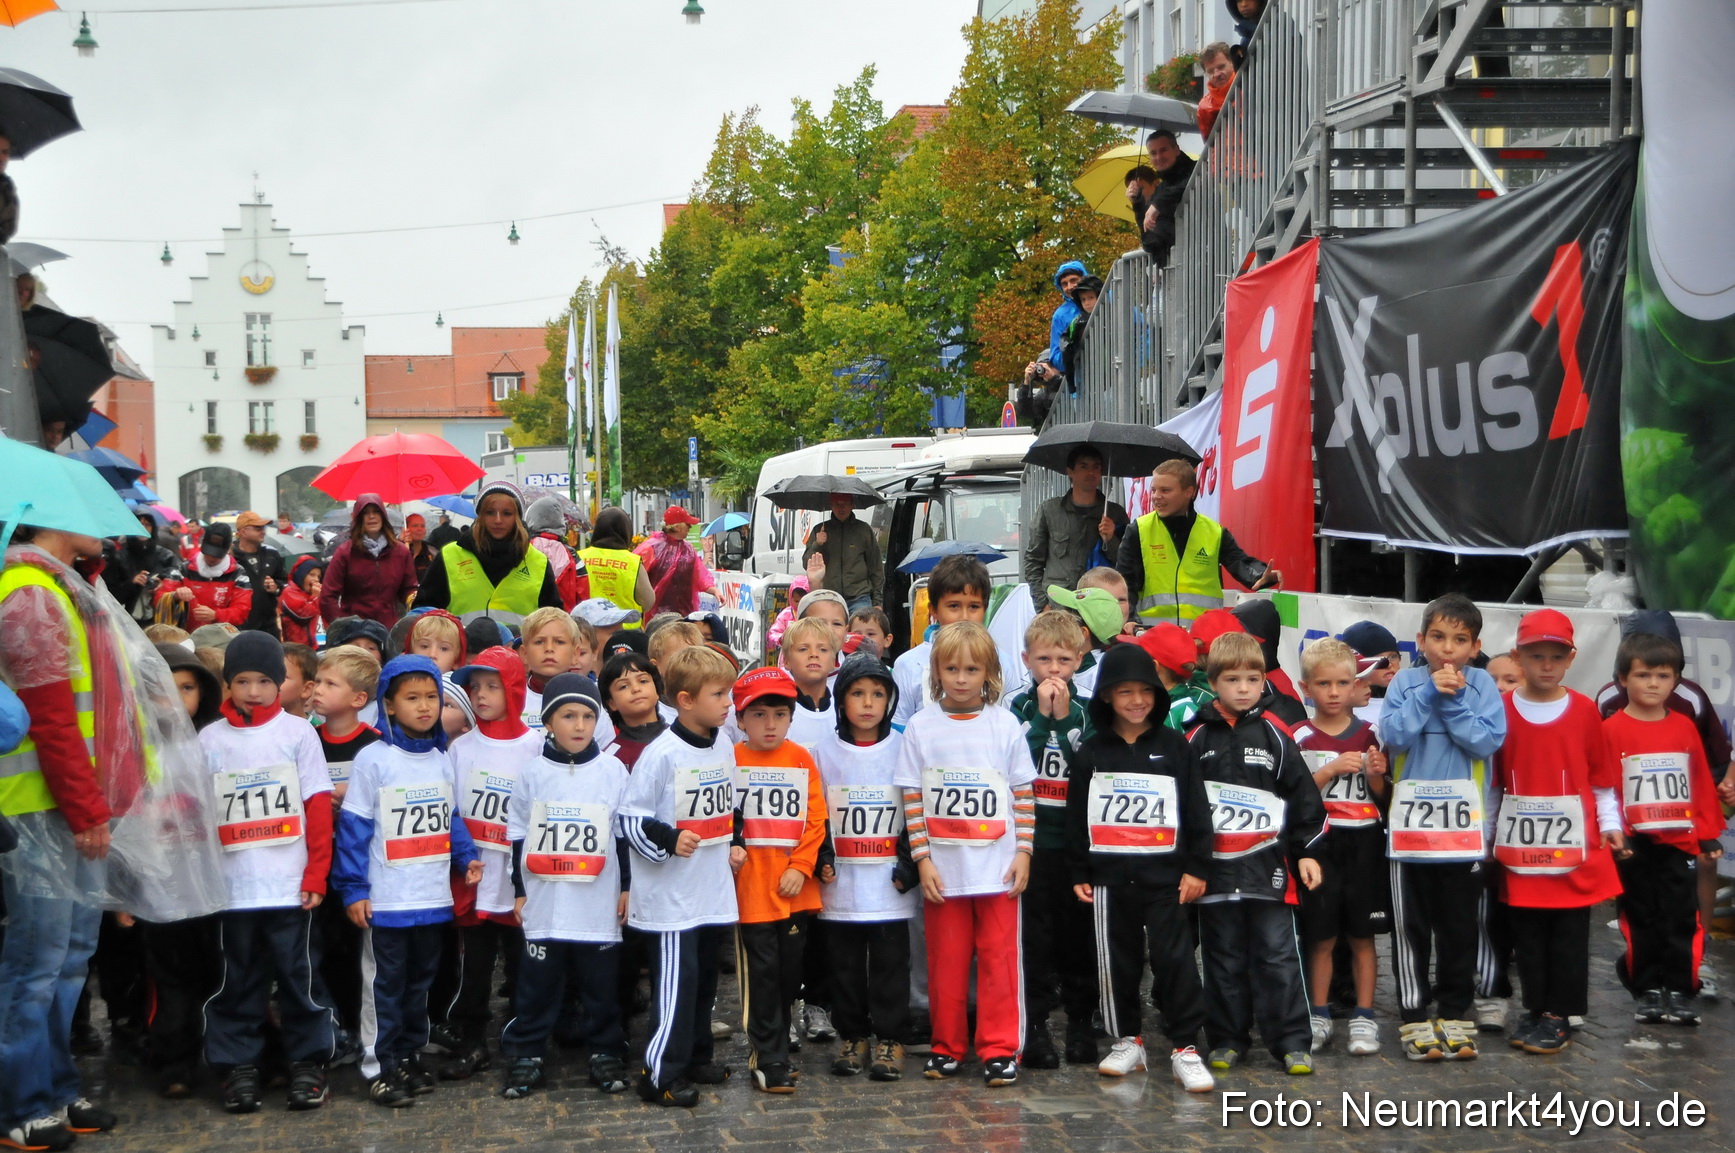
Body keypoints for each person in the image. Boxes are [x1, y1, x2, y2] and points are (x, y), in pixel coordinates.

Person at [332, 655, 484, 1107]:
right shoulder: (373, 760)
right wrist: (354, 889)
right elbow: (355, 829)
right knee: (384, 986)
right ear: (389, 704)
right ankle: (379, 1064)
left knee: (420, 982)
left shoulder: (440, 758)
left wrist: (466, 855)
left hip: (432, 896)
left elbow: (450, 815)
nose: (424, 706)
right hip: (387, 901)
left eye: (432, 697)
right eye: (412, 698)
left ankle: (409, 1053)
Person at [198, 632, 337, 1114]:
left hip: (288, 888)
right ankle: (238, 1066)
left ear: (282, 684)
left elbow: (318, 806)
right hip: (234, 891)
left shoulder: (298, 735)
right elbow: (202, 816)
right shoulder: (211, 739)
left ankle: (308, 1062)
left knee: (300, 979)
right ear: (228, 685)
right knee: (236, 982)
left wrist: (317, 874)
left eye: (264, 681)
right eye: (242, 681)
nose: (253, 691)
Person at [1065, 644, 1215, 1090]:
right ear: (1107, 697)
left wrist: (1197, 867)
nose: (1136, 701)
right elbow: (1077, 817)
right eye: (1124, 691)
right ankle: (1127, 1038)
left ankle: (1185, 1045)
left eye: (1144, 691)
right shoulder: (1091, 753)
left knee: (1176, 961)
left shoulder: (1174, 747)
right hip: (1110, 880)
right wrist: (1078, 872)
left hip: (1167, 878)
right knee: (1117, 962)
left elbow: (1196, 810)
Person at [895, 622, 1033, 1087]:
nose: (960, 678)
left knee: (999, 960)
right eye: (951, 668)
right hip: (945, 871)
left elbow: (1022, 795)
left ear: (989, 672)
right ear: (935, 672)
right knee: (945, 961)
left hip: (997, 869)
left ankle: (999, 1048)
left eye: (971, 669)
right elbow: (912, 797)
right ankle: (946, 1045)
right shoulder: (921, 726)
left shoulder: (1005, 724)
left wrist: (1024, 853)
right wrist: (923, 859)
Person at [1185, 632, 1325, 1076]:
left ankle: (1291, 1041)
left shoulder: (1276, 734)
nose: (1244, 688)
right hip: (1215, 874)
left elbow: (1303, 796)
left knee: (1278, 955)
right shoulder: (1193, 735)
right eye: (1232, 679)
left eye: (1253, 678)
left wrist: (1305, 851)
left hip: (1269, 869)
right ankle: (1227, 1038)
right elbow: (1182, 806)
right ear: (1213, 682)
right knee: (1221, 956)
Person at [1378, 593, 1505, 1062]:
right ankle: (1413, 1015)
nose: (1448, 649)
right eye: (1438, 637)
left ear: (1475, 647)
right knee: (1411, 926)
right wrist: (1431, 691)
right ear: (1421, 640)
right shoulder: (1406, 683)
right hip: (1409, 833)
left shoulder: (1483, 687)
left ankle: (1455, 1010)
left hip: (1461, 833)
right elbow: (1392, 735)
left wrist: (1451, 702)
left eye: (1459, 640)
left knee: (1459, 926)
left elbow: (1486, 741)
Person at [1491, 611, 1623, 1056]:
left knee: (1568, 933)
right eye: (1536, 656)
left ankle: (1559, 1012)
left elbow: (1601, 776)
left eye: (1555, 656)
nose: (1546, 665)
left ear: (1571, 659)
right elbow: (1494, 780)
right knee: (1526, 933)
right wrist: (1487, 835)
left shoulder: (1585, 711)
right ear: (1518, 657)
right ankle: (1535, 1006)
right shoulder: (1502, 709)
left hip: (1573, 847)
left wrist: (1611, 825)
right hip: (1520, 847)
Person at [497, 672, 633, 1099]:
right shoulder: (533, 774)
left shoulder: (613, 771)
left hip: (598, 903)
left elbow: (624, 834)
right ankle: (527, 1052)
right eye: (568, 715)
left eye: (587, 716)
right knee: (537, 984)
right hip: (546, 902)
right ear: (548, 722)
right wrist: (520, 890)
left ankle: (606, 1050)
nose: (578, 726)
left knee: (601, 987)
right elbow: (517, 835)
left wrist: (627, 888)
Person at [619, 645, 742, 1108]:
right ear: (686, 700)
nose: (728, 703)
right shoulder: (660, 755)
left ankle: (695, 1056)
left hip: (710, 890)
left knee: (704, 980)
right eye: (719, 694)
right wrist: (669, 840)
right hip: (672, 899)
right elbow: (629, 819)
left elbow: (730, 805)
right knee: (675, 984)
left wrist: (735, 843)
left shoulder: (724, 743)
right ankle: (660, 1073)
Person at [1595, 609, 1733, 1000]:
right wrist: (1611, 831)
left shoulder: (1685, 724)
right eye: (1643, 675)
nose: (1653, 684)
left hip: (1679, 839)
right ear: (1623, 678)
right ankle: (1647, 987)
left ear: (1676, 678)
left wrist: (1707, 834)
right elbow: (1603, 784)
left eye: (1662, 676)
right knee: (1640, 915)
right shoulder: (1609, 726)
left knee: (1680, 916)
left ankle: (1682, 986)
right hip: (1636, 840)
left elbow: (1700, 782)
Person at [813, 652, 916, 1081]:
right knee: (846, 965)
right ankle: (852, 1033)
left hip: (889, 883)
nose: (869, 703)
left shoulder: (903, 747)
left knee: (892, 964)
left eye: (878, 694)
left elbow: (915, 807)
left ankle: (891, 1037)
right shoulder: (824, 752)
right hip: (843, 885)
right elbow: (815, 814)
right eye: (858, 693)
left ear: (891, 701)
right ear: (842, 701)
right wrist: (822, 858)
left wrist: (909, 863)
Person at [727, 668, 829, 1095]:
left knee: (789, 975)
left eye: (780, 715)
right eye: (760, 714)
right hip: (750, 891)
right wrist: (730, 845)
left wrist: (800, 867)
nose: (770, 724)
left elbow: (816, 817)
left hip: (793, 891)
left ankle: (778, 1048)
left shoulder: (801, 759)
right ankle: (767, 1057)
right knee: (761, 977)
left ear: (791, 718)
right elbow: (722, 815)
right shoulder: (730, 758)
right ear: (741, 718)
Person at [443, 647, 541, 1079]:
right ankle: (471, 1039)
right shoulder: (460, 748)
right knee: (475, 966)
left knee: (522, 963)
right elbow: (449, 808)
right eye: (474, 687)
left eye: (492, 686)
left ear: (515, 688)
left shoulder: (536, 745)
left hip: (520, 878)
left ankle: (524, 1039)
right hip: (474, 876)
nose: (480, 695)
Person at [1008, 612, 1099, 1068]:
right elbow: (1016, 761)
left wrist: (1064, 722)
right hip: (1031, 842)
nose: (1054, 670)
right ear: (1027, 660)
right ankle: (1036, 1024)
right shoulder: (1014, 709)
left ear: (1079, 661)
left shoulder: (1089, 711)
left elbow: (1089, 768)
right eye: (1044, 659)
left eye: (1064, 660)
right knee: (1035, 937)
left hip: (1075, 842)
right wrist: (1043, 719)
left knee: (1077, 937)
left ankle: (1082, 1021)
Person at [1292, 638, 1389, 1056]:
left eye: (1342, 683)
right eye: (1324, 684)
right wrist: (1330, 769)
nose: (1333, 692)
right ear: (1306, 687)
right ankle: (1318, 1012)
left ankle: (1365, 1017)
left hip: (1365, 841)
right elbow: (1294, 796)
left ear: (1355, 687)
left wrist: (1377, 777)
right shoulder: (1299, 736)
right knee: (1321, 936)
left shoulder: (1372, 733)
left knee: (1363, 933)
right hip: (1321, 844)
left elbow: (1384, 798)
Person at [141, 644, 223, 1099]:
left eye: (186, 688)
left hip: (212, 883)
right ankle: (174, 1059)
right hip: (161, 884)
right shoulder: (137, 749)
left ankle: (226, 1051)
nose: (174, 699)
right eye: (162, 690)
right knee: (170, 979)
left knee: (216, 967)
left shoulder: (212, 742)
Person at [310, 644, 380, 1052]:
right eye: (317, 681)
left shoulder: (373, 744)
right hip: (320, 860)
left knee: (358, 947)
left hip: (360, 863)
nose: (318, 690)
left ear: (358, 699)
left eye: (329, 683)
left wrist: (352, 794)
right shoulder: (307, 739)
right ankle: (333, 1023)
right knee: (326, 946)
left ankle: (359, 1024)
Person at [1115, 459, 1277, 627]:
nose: (1156, 496)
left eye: (1165, 490)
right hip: (1153, 636)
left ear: (1189, 492)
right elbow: (1124, 584)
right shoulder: (1138, 530)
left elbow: (1239, 563)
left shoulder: (1215, 532)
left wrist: (1260, 575)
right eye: (1154, 490)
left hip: (1203, 639)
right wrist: (1131, 621)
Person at [414, 482, 561, 617]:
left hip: (519, 647)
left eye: (507, 513)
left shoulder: (538, 563)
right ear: (480, 516)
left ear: (517, 518)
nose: (498, 520)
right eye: (490, 512)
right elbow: (424, 612)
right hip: (463, 646)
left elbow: (553, 619)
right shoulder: (449, 556)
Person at [891, 556, 992, 731]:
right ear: (934, 610)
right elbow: (900, 730)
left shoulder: (1001, 661)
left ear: (985, 609)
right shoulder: (908, 665)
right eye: (954, 606)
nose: (964, 617)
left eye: (974, 607)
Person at [1025, 449, 1128, 611]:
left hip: (1099, 605)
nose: (1091, 472)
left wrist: (1110, 539)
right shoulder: (1049, 510)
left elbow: (1125, 564)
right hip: (1059, 605)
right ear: (1070, 472)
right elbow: (1033, 561)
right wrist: (1042, 604)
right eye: (1083, 466)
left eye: (1096, 467)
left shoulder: (1114, 513)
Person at [318, 496, 417, 629]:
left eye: (376, 511)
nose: (371, 516)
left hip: (388, 631)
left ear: (383, 515)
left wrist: (413, 599)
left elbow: (409, 588)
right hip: (354, 634)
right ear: (358, 518)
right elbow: (327, 597)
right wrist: (341, 627)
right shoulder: (345, 552)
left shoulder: (401, 552)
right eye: (365, 512)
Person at [155, 521, 254, 630]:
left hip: (222, 637)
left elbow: (242, 611)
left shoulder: (238, 574)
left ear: (228, 549)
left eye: (217, 555)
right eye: (208, 553)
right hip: (186, 636)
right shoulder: (183, 569)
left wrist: (216, 615)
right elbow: (158, 599)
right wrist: (175, 596)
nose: (211, 558)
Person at [802, 497, 883, 617]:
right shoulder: (819, 530)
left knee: (859, 634)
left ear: (852, 505)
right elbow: (806, 564)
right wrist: (817, 544)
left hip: (859, 597)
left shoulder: (864, 530)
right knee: (832, 635)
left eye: (845, 503)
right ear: (831, 505)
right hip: (830, 598)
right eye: (837, 504)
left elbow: (876, 567)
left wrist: (877, 601)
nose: (841, 508)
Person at [636, 506, 717, 620]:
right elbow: (634, 575)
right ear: (678, 527)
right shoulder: (651, 548)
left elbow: (699, 576)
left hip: (684, 615)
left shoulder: (688, 549)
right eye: (687, 524)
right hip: (656, 618)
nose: (690, 527)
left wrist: (715, 591)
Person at [579, 508, 655, 630]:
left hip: (587, 631)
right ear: (626, 532)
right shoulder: (633, 562)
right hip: (626, 634)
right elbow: (648, 602)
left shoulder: (580, 557)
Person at [101, 508, 180, 624]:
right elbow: (110, 592)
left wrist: (163, 582)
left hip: (160, 618)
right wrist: (132, 582)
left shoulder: (166, 556)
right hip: (128, 620)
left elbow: (178, 577)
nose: (143, 528)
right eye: (139, 524)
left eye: (147, 525)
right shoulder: (119, 557)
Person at [1137, 132, 1198, 268]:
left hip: (1204, 261)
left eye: (1163, 150)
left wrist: (1158, 205)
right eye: (1153, 153)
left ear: (1176, 150)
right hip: (1174, 270)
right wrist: (1137, 204)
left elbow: (1188, 184)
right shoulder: (1162, 188)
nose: (1158, 157)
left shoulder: (1197, 170)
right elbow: (1149, 241)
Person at [601, 650, 667, 770]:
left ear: (658, 691)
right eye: (623, 686)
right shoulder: (611, 758)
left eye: (643, 681)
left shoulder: (680, 738)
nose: (636, 689)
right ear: (611, 703)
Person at [524, 496, 586, 612]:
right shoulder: (573, 556)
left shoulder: (523, 550)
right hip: (564, 623)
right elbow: (583, 598)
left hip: (530, 623)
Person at [231, 512, 286, 637]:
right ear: (243, 532)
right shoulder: (230, 557)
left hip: (269, 626)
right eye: (258, 528)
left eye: (263, 528)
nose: (263, 531)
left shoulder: (272, 554)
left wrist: (276, 586)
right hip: (239, 628)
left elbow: (285, 581)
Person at [279, 557, 323, 648]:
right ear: (301, 575)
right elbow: (303, 617)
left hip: (312, 645)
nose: (316, 579)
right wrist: (315, 597)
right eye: (312, 574)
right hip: (294, 648)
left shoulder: (310, 594)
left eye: (318, 576)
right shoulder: (289, 592)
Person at [1196, 42, 1237, 138]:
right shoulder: (1204, 106)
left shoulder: (1249, 87)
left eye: (1221, 67)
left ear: (1232, 62)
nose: (1217, 74)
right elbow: (1209, 144)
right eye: (1210, 71)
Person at [279, 643, 317, 718]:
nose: (272, 681)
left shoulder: (315, 728)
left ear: (306, 689)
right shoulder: (254, 726)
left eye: (281, 676)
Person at [401, 514, 437, 587]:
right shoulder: (396, 550)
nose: (420, 529)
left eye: (422, 526)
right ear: (405, 528)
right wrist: (401, 543)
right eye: (415, 526)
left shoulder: (433, 552)